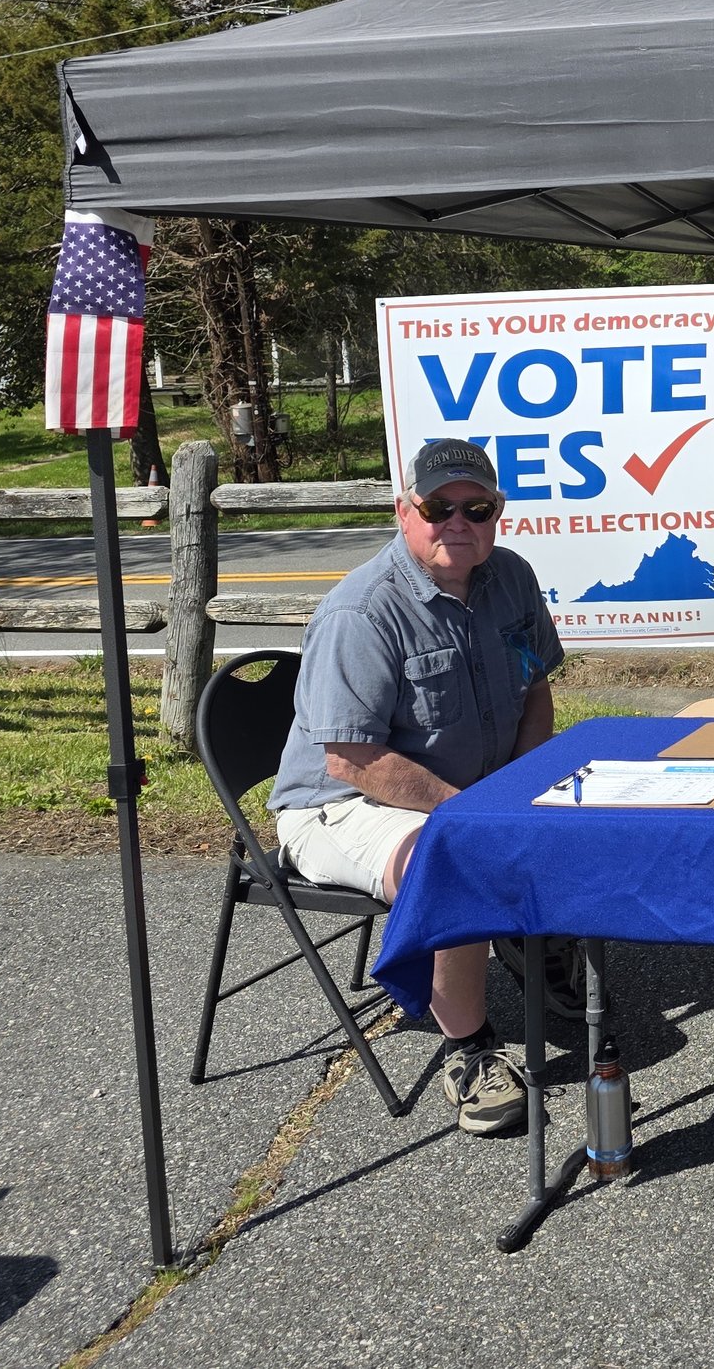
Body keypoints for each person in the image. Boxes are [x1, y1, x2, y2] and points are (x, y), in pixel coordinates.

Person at [269, 438, 564, 1135]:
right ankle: (469, 1053)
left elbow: (536, 690)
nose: (457, 520)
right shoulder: (361, 611)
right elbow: (348, 758)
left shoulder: (511, 577)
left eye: (477, 506)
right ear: (406, 511)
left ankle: (535, 944)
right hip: (337, 805)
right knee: (454, 857)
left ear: (497, 514)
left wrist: (519, 791)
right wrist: (471, 811)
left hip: (460, 789)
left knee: (572, 817)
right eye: (439, 506)